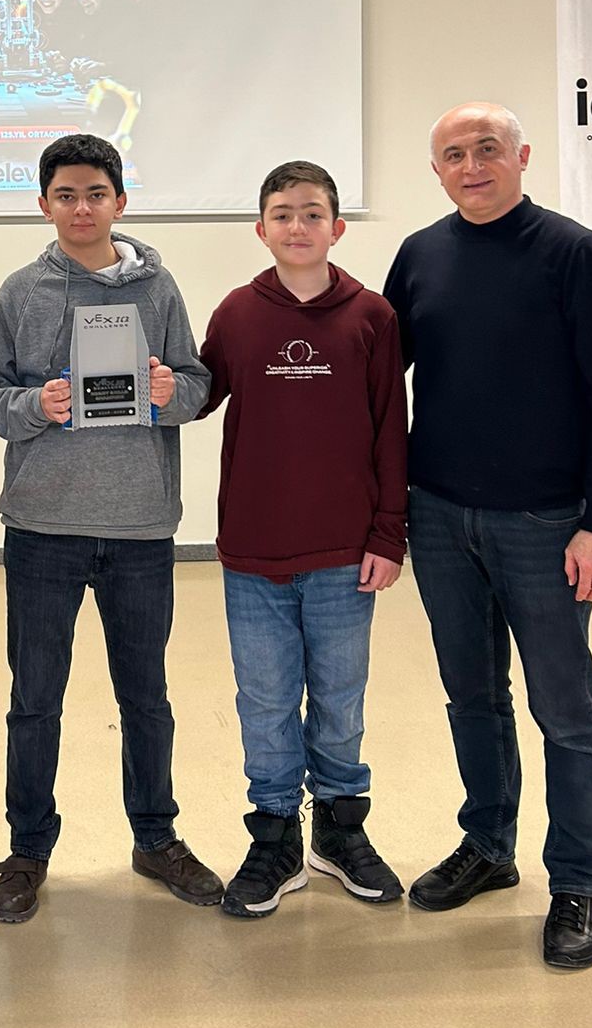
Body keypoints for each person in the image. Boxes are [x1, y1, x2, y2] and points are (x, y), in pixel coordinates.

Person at [382, 102, 592, 969]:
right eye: (453, 154)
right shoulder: (421, 254)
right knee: (472, 696)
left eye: (486, 149)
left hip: (547, 524)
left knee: (565, 710)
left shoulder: (575, 254)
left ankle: (579, 882)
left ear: (522, 156)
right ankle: (489, 845)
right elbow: (376, 374)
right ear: (437, 171)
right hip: (439, 515)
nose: (472, 166)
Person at [0, 132, 223, 923]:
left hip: (140, 526)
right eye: (66, 195)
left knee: (146, 696)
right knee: (35, 699)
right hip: (44, 526)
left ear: (121, 201)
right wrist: (33, 406)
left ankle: (155, 837)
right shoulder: (21, 291)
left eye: (96, 194)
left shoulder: (159, 289)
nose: (82, 208)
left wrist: (168, 392)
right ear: (43, 204)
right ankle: (27, 849)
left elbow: (198, 384)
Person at [197, 161, 408, 917]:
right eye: (282, 213)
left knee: (341, 700)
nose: (297, 225)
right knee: (265, 700)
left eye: (312, 213)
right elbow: (198, 394)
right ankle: (276, 834)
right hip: (253, 551)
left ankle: (340, 831)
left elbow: (391, 432)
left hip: (346, 553)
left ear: (337, 228)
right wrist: (141, 377)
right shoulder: (236, 313)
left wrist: (389, 534)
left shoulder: (373, 317)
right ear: (261, 230)